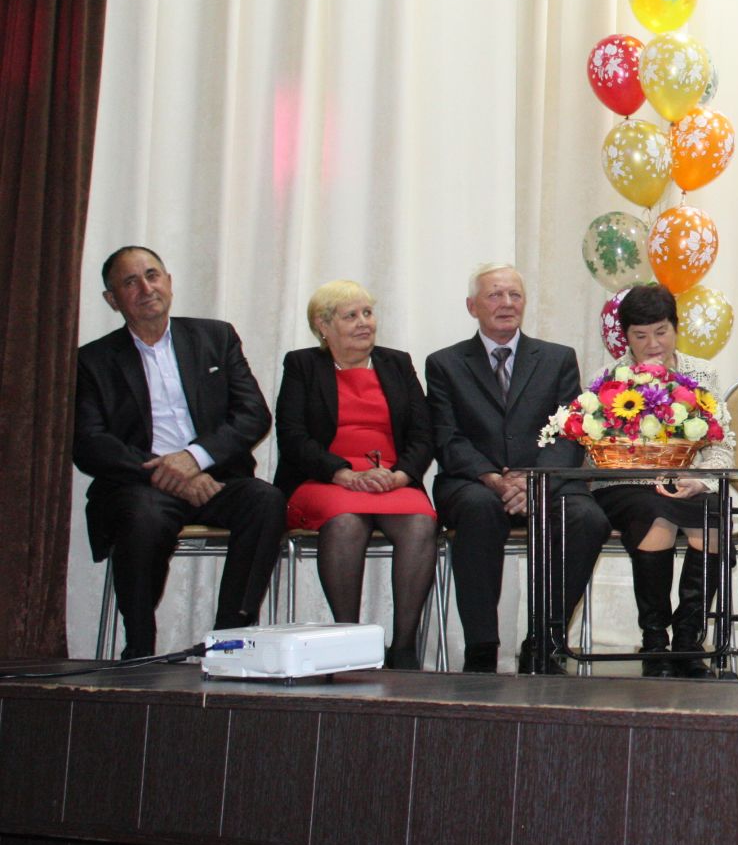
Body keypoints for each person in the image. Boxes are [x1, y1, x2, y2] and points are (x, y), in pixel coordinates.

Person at [73, 246, 284, 658]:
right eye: (130, 282)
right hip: (141, 485)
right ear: (112, 299)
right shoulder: (93, 360)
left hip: (215, 477)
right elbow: (89, 443)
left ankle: (228, 641)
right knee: (141, 517)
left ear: (169, 282)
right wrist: (162, 471)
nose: (146, 287)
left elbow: (253, 414)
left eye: (153, 275)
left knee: (266, 501)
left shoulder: (215, 337)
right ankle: (139, 647)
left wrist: (194, 459)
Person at [425, 264, 610, 673]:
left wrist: (534, 481)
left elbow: (568, 431)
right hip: (473, 481)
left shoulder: (558, 358)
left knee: (587, 518)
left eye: (515, 295)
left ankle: (545, 642)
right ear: (472, 306)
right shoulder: (444, 363)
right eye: (494, 295)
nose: (506, 304)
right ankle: (481, 648)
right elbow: (446, 436)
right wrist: (492, 477)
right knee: (479, 509)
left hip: (545, 477)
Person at [273, 281, 437, 669]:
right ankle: (351, 642)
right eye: (351, 316)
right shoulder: (302, 366)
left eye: (368, 313)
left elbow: (423, 433)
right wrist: (343, 474)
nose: (365, 323)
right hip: (325, 481)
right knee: (346, 523)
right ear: (323, 326)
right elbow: (292, 435)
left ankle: (404, 649)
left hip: (391, 480)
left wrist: (400, 475)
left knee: (421, 523)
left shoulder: (396, 363)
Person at [589, 285, 736, 678]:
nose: (652, 344)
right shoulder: (607, 378)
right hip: (626, 487)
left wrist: (698, 480)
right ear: (626, 337)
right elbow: (592, 453)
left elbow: (722, 447)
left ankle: (688, 641)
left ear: (675, 328)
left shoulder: (701, 374)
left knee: (713, 517)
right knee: (658, 515)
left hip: (686, 483)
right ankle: (655, 640)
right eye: (640, 336)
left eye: (661, 331)